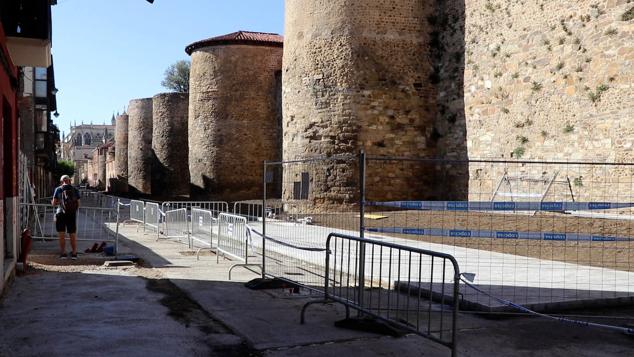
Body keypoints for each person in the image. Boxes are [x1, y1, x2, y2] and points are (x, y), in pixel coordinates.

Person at [51, 175, 81, 259]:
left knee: (61, 234)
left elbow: (53, 203)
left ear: (61, 181)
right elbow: (78, 204)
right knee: (72, 234)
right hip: (71, 214)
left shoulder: (58, 189)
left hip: (60, 213)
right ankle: (74, 253)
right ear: (69, 181)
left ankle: (63, 253)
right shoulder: (75, 190)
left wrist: (58, 203)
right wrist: (72, 210)